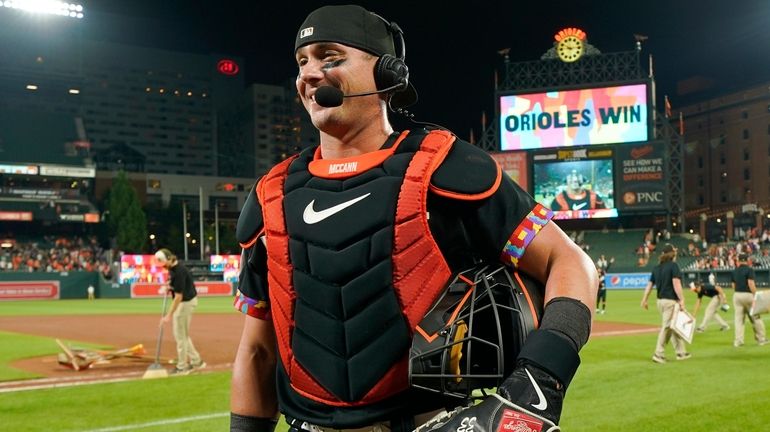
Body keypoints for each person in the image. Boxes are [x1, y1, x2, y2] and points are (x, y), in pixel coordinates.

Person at [229, 5, 598, 432]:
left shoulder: (446, 168)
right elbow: (257, 350)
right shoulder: (270, 196)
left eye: (331, 58)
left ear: (387, 74)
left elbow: (570, 262)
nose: (310, 73)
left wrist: (540, 380)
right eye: (302, 62)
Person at [155, 248, 206, 374]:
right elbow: (176, 288)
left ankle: (182, 367)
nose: (163, 267)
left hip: (185, 304)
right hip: (187, 302)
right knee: (183, 335)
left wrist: (168, 315)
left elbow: (178, 297)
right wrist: (170, 287)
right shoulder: (174, 269)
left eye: (164, 264)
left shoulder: (178, 272)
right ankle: (196, 361)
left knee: (180, 337)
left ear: (168, 259)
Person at [640, 243, 691, 363]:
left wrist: (644, 299)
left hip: (660, 302)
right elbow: (676, 284)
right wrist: (682, 299)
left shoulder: (656, 268)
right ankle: (659, 354)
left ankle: (681, 352)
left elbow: (649, 285)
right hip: (670, 301)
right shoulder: (674, 266)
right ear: (671, 254)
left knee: (673, 326)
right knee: (667, 327)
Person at [731, 253, 767, 347]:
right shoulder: (749, 269)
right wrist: (756, 295)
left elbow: (733, 285)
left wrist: (738, 293)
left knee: (738, 320)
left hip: (737, 295)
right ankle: (761, 339)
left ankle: (738, 341)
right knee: (756, 318)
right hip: (748, 295)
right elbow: (750, 283)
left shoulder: (735, 270)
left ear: (738, 261)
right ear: (747, 260)